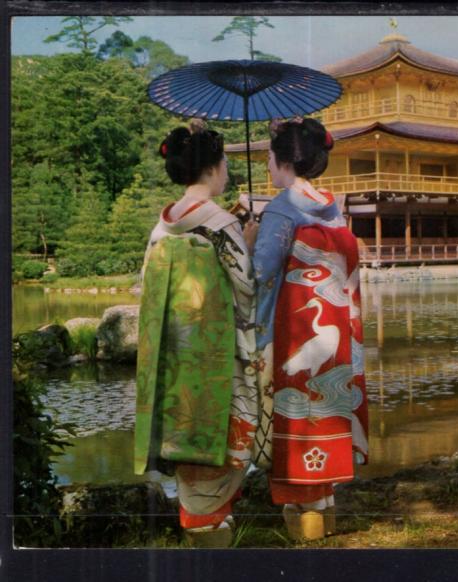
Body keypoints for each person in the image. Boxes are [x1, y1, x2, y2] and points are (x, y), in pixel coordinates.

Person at [134, 119, 270, 548]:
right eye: (225, 160)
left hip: (176, 356)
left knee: (186, 432)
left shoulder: (163, 226)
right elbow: (246, 290)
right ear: (214, 167)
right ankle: (211, 529)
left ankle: (199, 520)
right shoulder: (221, 224)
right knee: (225, 434)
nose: (228, 168)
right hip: (219, 354)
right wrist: (247, 239)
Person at [251, 117, 368, 541]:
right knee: (324, 427)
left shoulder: (282, 208)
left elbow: (261, 274)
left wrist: (249, 241)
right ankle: (326, 531)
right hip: (333, 337)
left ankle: (310, 549)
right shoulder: (332, 208)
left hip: (290, 337)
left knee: (295, 444)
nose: (265, 162)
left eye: (267, 155)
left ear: (280, 160)